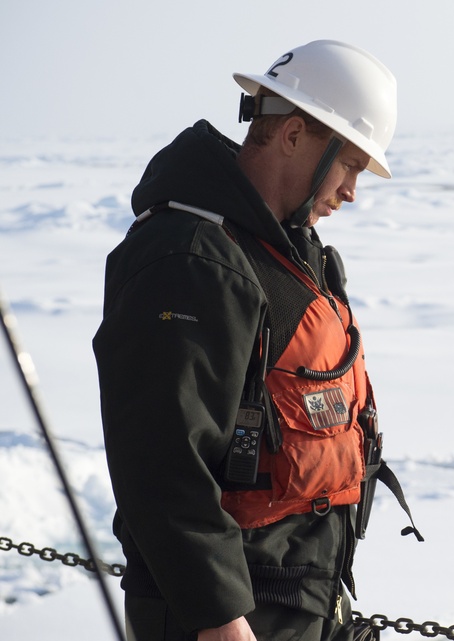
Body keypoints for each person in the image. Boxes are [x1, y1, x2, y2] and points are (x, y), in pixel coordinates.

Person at [94, 40, 402, 641]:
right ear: (292, 135)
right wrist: (220, 617)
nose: (351, 192)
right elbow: (161, 461)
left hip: (293, 599)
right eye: (351, 165)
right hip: (223, 615)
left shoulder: (283, 254)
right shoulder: (191, 261)